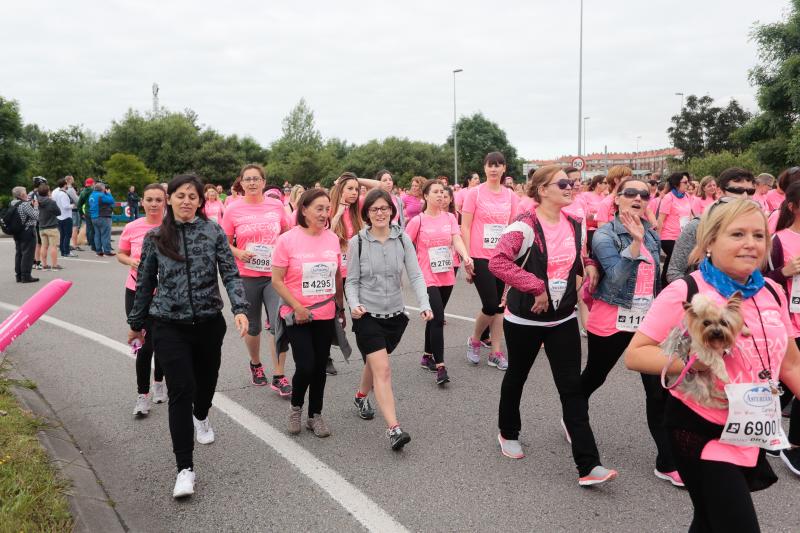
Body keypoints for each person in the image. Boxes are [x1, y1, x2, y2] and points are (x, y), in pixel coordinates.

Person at [625, 199, 800, 532]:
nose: (751, 243)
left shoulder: (773, 292)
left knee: (708, 520)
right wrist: (695, 362)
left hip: (750, 427)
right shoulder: (687, 290)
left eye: (758, 235)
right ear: (709, 241)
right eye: (737, 234)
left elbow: (791, 364)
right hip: (700, 429)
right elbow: (636, 355)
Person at [489, 165, 616, 486]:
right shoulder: (524, 226)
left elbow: (577, 257)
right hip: (524, 318)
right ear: (542, 190)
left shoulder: (574, 224)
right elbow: (498, 261)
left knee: (571, 387)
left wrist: (589, 266)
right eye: (563, 183)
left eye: (572, 183)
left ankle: (588, 465)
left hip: (563, 317)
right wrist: (536, 286)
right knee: (517, 375)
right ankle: (508, 432)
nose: (570, 186)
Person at [127, 174, 249, 499]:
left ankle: (202, 415)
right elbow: (143, 282)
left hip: (209, 323)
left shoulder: (213, 232)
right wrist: (136, 322)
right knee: (181, 389)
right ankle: (185, 469)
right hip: (168, 324)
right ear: (170, 199)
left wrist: (239, 307)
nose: (186, 201)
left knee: (205, 385)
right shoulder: (156, 237)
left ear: (200, 201)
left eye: (192, 196)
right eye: (180, 195)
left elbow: (230, 272)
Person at [584, 176, 681, 486]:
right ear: (617, 199)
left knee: (657, 389)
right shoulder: (604, 234)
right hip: (611, 320)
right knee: (594, 377)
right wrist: (635, 241)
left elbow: (656, 281)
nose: (639, 198)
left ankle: (666, 461)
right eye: (631, 193)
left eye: (644, 194)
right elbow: (613, 279)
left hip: (646, 322)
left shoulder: (651, 235)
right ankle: (573, 411)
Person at [346, 188, 433, 449]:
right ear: (367, 214)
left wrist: (425, 304)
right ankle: (394, 429)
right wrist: (354, 304)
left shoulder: (403, 239)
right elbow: (351, 282)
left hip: (394, 315)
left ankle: (361, 396)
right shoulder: (357, 242)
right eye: (374, 209)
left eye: (384, 208)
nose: (380, 213)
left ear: (392, 212)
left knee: (375, 363)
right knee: (383, 369)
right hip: (367, 316)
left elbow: (416, 275)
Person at [271, 188, 344, 439]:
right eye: (319, 208)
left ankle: (315, 415)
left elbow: (336, 275)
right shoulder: (287, 240)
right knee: (305, 365)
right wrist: (297, 306)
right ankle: (296, 407)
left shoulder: (332, 238)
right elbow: (277, 280)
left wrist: (340, 306)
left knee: (319, 367)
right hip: (297, 314)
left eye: (327, 209)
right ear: (304, 209)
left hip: (325, 313)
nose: (324, 214)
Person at [221, 164, 292, 395]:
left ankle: (279, 375)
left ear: (263, 182)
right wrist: (238, 252)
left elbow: (286, 233)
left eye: (256, 179)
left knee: (279, 323)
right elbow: (224, 243)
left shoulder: (276, 205)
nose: (252, 183)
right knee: (253, 326)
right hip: (247, 275)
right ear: (241, 183)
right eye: (247, 179)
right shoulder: (232, 209)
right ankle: (255, 364)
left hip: (274, 276)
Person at [405, 180, 473, 384]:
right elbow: (405, 245)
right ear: (425, 196)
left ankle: (427, 356)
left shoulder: (450, 217)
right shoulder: (418, 221)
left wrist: (466, 256)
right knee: (438, 318)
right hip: (426, 274)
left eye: (442, 192)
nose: (440, 195)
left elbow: (456, 239)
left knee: (435, 315)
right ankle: (441, 367)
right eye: (435, 192)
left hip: (446, 272)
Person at [461, 152, 520, 369]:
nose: (494, 169)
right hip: (479, 255)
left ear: (504, 168)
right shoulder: (474, 194)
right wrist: (466, 257)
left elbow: (514, 227)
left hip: (503, 256)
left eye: (498, 165)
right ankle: (475, 339)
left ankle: (496, 351)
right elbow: (465, 226)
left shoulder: (511, 196)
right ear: (484, 168)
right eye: (490, 165)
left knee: (501, 308)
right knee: (489, 304)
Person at [118, 184, 168, 416]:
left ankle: (159, 381)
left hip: (166, 293)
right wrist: (131, 261)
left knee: (163, 343)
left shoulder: (172, 228)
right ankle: (142, 396)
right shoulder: (132, 227)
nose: (154, 204)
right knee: (144, 344)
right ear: (142, 202)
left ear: (165, 202)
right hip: (137, 292)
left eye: (159, 199)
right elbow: (121, 253)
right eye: (149, 199)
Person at [764, 180, 800, 473]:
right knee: (786, 378)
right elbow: (761, 282)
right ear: (793, 206)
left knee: (786, 383)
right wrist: (784, 272)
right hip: (789, 321)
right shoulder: (778, 240)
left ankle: (768, 428)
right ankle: (794, 447)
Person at [665, 168, 756, 284]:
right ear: (719, 192)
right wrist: (699, 295)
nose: (744, 196)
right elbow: (674, 272)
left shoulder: (754, 228)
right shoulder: (697, 226)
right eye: (737, 190)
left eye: (750, 191)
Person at [326, 173, 365, 376]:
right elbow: (325, 236)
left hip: (354, 271)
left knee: (360, 313)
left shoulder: (357, 211)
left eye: (356, 189)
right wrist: (338, 213)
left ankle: (369, 352)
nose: (354, 193)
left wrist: (358, 178)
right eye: (349, 188)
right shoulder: (330, 209)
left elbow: (381, 187)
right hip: (331, 273)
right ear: (340, 190)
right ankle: (326, 356)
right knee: (330, 315)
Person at [656, 172, 693, 286]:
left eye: (688, 182)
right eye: (685, 182)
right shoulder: (668, 198)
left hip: (682, 236)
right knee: (675, 259)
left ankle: (663, 284)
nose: (688, 184)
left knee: (671, 261)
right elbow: (661, 219)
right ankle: (667, 284)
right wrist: (657, 239)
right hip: (668, 237)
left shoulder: (687, 196)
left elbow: (688, 215)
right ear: (677, 184)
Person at [9, 186, 39, 283]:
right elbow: (35, 216)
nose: (27, 194)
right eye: (25, 193)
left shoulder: (13, 203)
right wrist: (35, 206)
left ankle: (19, 275)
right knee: (28, 254)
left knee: (19, 253)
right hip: (28, 231)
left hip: (17, 231)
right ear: (22, 195)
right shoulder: (25, 205)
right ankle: (26, 276)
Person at [36, 184, 62, 271]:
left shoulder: (37, 201)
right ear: (48, 192)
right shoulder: (51, 202)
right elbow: (58, 212)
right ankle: (54, 265)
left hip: (41, 226)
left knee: (44, 246)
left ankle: (44, 264)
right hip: (51, 226)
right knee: (53, 246)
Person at [88, 182, 116, 256]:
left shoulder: (91, 195)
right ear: (102, 189)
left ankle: (99, 250)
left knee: (97, 234)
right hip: (103, 217)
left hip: (94, 217)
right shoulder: (101, 195)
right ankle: (107, 250)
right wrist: (109, 193)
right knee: (105, 234)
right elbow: (111, 201)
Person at [52, 178, 77, 259]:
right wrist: (73, 205)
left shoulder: (57, 193)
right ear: (64, 185)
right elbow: (65, 206)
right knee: (67, 235)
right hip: (66, 217)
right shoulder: (63, 194)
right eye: (67, 184)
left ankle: (63, 251)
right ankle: (66, 251)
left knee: (63, 235)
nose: (68, 186)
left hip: (59, 217)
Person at [77, 178, 96, 252]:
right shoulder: (94, 191)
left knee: (89, 228)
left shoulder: (83, 192)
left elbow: (79, 205)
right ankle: (94, 244)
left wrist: (81, 213)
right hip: (94, 212)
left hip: (87, 212)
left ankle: (90, 242)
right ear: (92, 184)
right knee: (95, 229)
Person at [65, 176, 83, 251]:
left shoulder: (64, 189)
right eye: (73, 179)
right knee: (75, 227)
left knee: (70, 228)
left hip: (68, 210)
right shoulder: (70, 189)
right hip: (74, 209)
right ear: (69, 180)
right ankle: (74, 245)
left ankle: (71, 244)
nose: (74, 180)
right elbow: (77, 200)